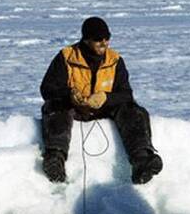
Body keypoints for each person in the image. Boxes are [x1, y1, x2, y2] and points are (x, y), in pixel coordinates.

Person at [40, 16, 163, 184]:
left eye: (107, 39)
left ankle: (141, 159)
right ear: (86, 39)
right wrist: (70, 95)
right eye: (98, 40)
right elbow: (47, 88)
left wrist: (106, 98)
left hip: (103, 108)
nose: (104, 43)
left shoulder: (115, 60)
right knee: (54, 106)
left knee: (133, 110)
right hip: (74, 108)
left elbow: (126, 93)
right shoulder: (66, 57)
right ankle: (55, 159)